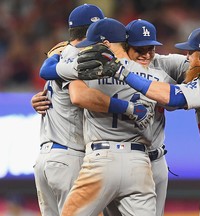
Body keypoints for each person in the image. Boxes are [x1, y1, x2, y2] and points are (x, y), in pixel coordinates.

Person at [80, 26, 200, 215]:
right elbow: (162, 62)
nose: (186, 58)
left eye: (190, 53)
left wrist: (122, 72)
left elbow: (172, 97)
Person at [57, 18, 178, 216]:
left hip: (101, 160)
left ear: (105, 44)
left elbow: (67, 83)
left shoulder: (87, 70)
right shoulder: (155, 76)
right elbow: (175, 100)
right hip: (139, 164)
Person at [32, 4, 105, 216]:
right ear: (94, 30)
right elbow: (81, 97)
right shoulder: (83, 58)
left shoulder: (60, 55)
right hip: (69, 158)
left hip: (46, 159)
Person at [124, 19, 188, 216]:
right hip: (126, 157)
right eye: (139, 49)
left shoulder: (160, 69)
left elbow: (175, 102)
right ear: (126, 47)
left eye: (150, 48)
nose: (146, 54)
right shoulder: (112, 71)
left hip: (156, 158)